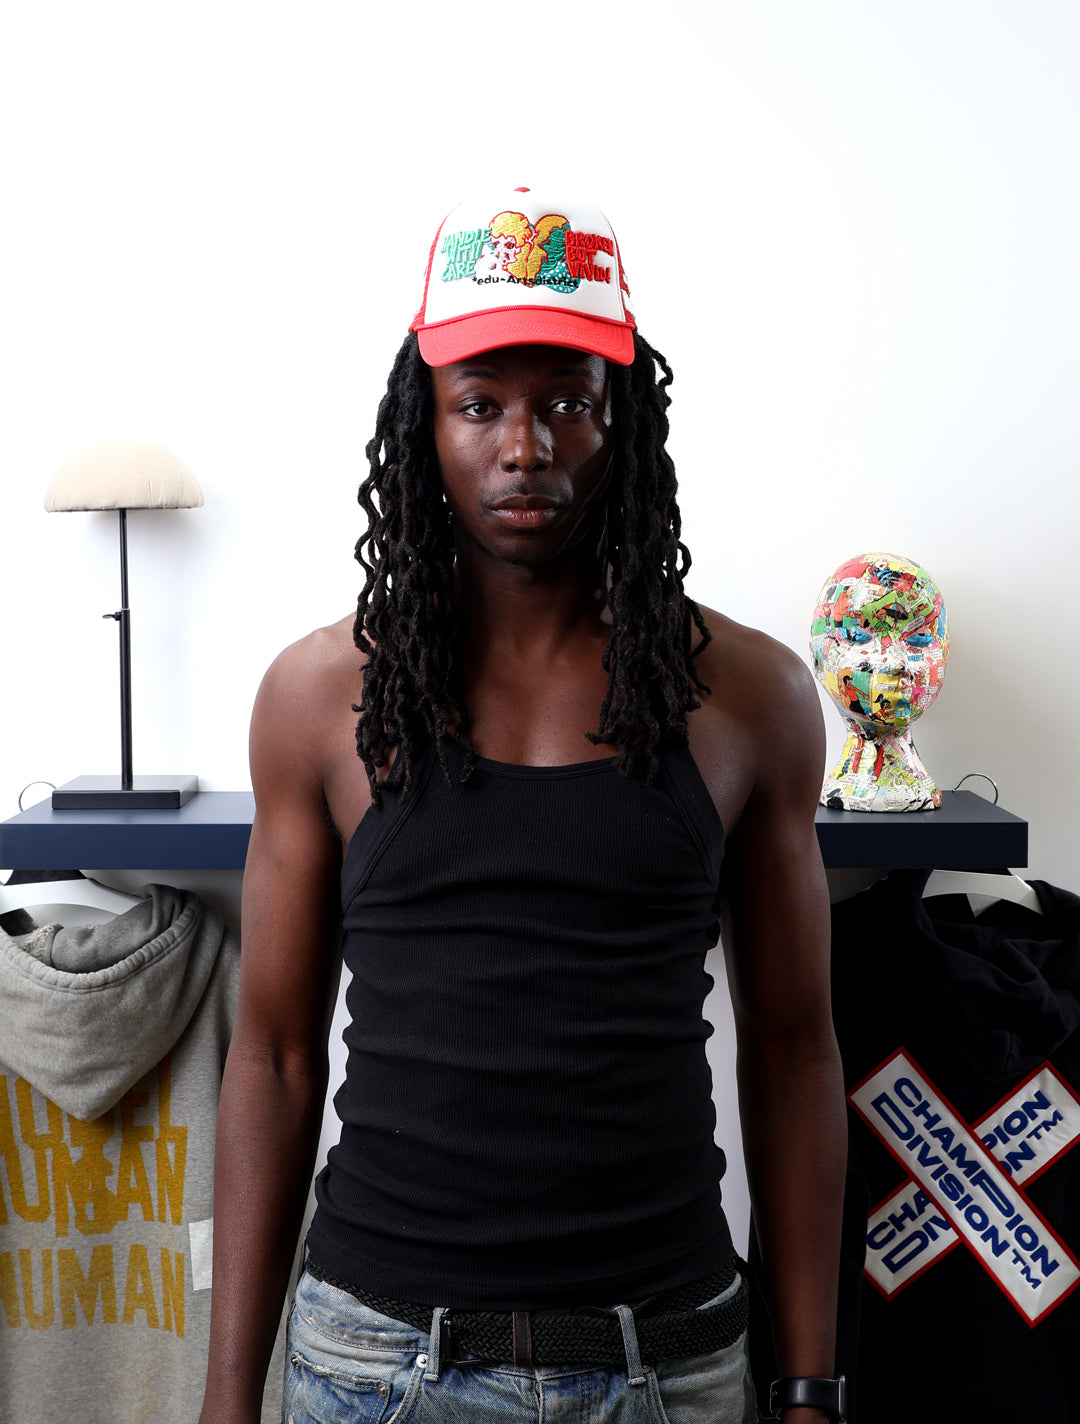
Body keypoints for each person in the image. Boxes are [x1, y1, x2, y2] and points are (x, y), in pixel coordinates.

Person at [199, 187, 848, 1424]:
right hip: (376, 1360)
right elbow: (275, 1057)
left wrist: (808, 1383)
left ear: (624, 424)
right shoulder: (316, 699)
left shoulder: (751, 698)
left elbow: (792, 1045)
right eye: (482, 404)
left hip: (670, 1359)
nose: (525, 447)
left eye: (566, 404)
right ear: (423, 422)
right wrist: (229, 1398)